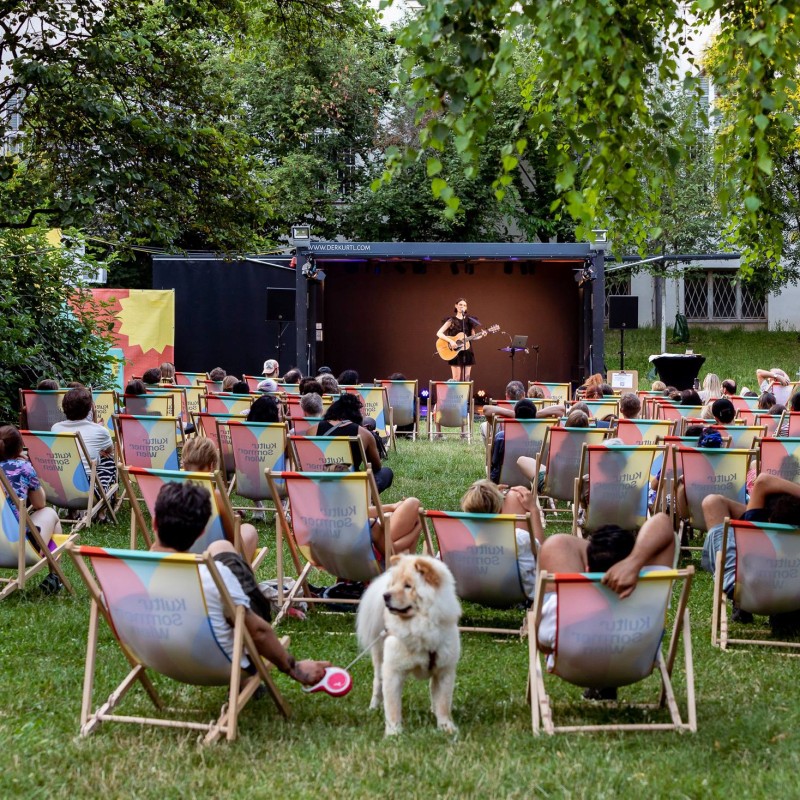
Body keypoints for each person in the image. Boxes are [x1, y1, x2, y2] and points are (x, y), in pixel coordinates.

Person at [150, 482, 329, 685]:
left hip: (162, 657)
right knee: (225, 554)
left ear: (155, 523)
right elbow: (258, 633)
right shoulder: (214, 577)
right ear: (201, 533)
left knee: (221, 547)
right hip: (222, 665)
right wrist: (294, 668)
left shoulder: (132, 577)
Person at [536, 512, 676, 698]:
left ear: (586, 570)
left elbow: (543, 646)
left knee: (556, 545)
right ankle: (612, 555)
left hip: (577, 667)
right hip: (636, 661)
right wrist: (634, 563)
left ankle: (602, 559)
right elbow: (663, 522)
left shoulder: (558, 610)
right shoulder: (650, 595)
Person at [701, 473, 800, 630]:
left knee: (711, 502)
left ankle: (742, 607)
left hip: (742, 586)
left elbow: (763, 481)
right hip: (793, 596)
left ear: (768, 520)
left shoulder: (735, 577)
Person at [0, 425, 64, 593]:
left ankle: (56, 577)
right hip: (17, 547)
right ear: (20, 448)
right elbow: (39, 504)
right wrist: (28, 467)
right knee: (50, 513)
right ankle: (55, 576)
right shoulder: (23, 468)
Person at [460, 478, 545, 600]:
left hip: (472, 592)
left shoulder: (457, 540)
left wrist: (481, 496)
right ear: (500, 510)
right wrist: (534, 510)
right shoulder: (519, 538)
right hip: (517, 595)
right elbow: (543, 556)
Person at [180, 437, 259, 563]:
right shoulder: (215, 496)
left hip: (182, 559)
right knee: (249, 530)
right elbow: (234, 540)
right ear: (211, 466)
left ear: (184, 465)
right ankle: (239, 575)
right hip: (217, 563)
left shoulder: (172, 494)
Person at [311, 393, 393, 492]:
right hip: (352, 486)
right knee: (386, 472)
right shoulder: (364, 434)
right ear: (357, 414)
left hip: (318, 484)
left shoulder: (313, 430)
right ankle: (368, 497)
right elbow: (376, 467)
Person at [51, 387, 116, 504]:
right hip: (87, 491)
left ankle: (73, 512)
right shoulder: (99, 431)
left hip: (60, 488)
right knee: (109, 460)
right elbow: (110, 450)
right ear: (89, 408)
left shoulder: (55, 428)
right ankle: (104, 508)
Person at [489, 398, 538, 483]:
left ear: (515, 415)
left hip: (503, 480)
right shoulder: (541, 438)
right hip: (533, 480)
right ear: (534, 416)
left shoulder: (502, 437)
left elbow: (494, 462)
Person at [436, 298, 483, 381]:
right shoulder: (451, 320)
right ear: (456, 306)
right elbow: (439, 333)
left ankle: (465, 394)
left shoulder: (470, 321)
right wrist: (450, 341)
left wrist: (482, 335)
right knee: (456, 378)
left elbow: (473, 336)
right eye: (460, 304)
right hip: (454, 351)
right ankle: (456, 394)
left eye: (464, 305)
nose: (462, 306)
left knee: (466, 378)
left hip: (467, 350)